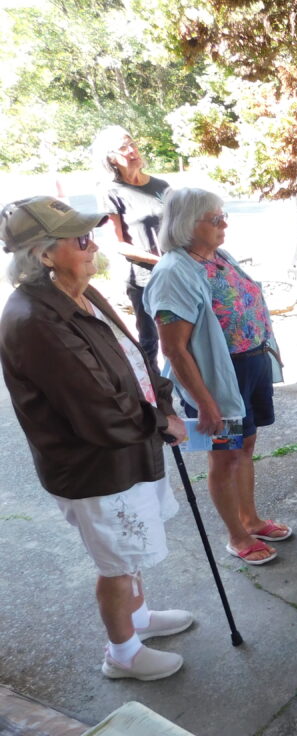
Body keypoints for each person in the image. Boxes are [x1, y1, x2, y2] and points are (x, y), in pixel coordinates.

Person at [0, 197, 192, 681]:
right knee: (116, 561)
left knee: (130, 549)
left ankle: (140, 619)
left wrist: (162, 404)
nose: (93, 245)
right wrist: (159, 422)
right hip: (96, 463)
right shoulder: (34, 318)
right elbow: (95, 405)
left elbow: (136, 358)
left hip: (125, 448)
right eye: (80, 239)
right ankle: (122, 652)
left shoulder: (77, 292)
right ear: (44, 255)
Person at [143, 188, 290, 566]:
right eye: (215, 219)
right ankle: (237, 536)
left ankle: (251, 519)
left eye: (223, 216)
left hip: (248, 371)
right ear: (186, 225)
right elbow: (174, 350)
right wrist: (206, 402)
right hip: (217, 382)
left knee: (244, 448)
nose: (225, 223)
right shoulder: (174, 273)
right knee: (224, 456)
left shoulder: (217, 256)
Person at [91, 126, 170, 367]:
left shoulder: (160, 185)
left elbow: (178, 225)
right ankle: (155, 397)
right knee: (150, 340)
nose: (132, 150)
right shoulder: (110, 191)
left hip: (173, 273)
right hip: (142, 279)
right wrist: (159, 262)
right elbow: (118, 244)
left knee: (181, 334)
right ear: (111, 159)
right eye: (123, 148)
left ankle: (189, 393)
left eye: (132, 143)